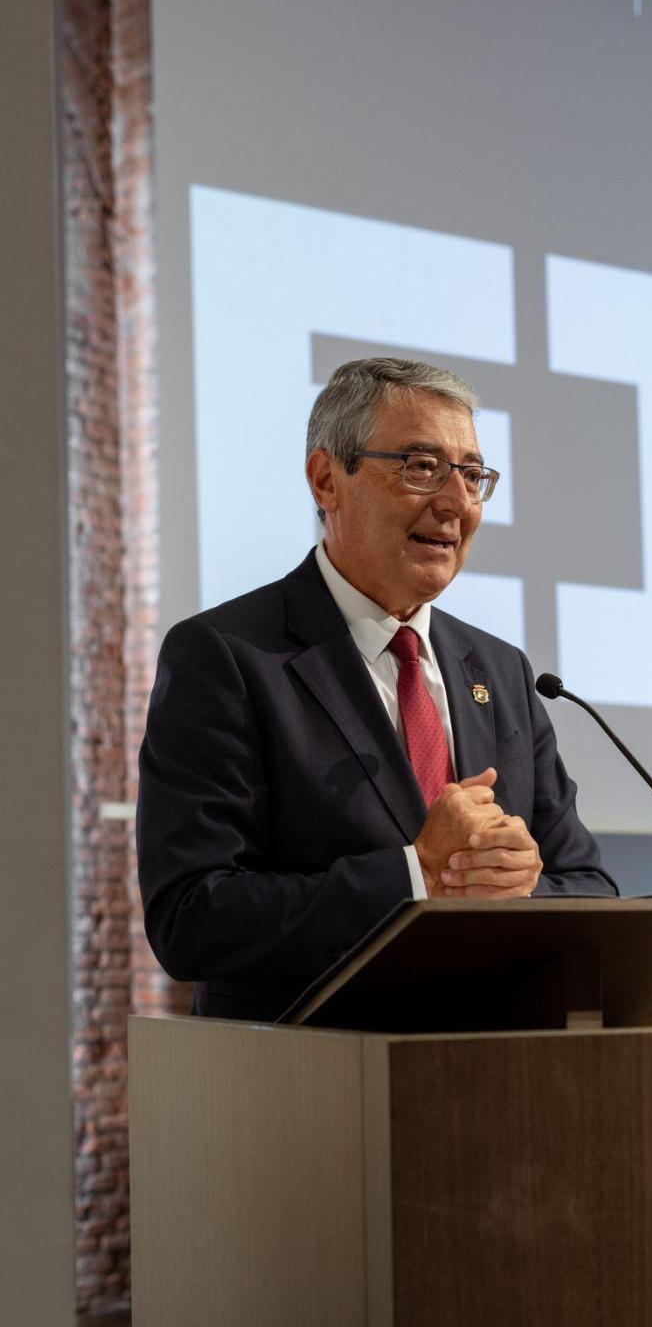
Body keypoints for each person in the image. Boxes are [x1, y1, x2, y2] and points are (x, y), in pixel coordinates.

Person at [137, 357, 616, 1021]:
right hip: (311, 1091)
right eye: (421, 467)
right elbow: (192, 917)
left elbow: (591, 887)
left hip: (500, 1080)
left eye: (472, 475)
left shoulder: (500, 671)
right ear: (327, 480)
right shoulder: (227, 657)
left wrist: (524, 887)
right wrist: (417, 872)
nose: (454, 503)